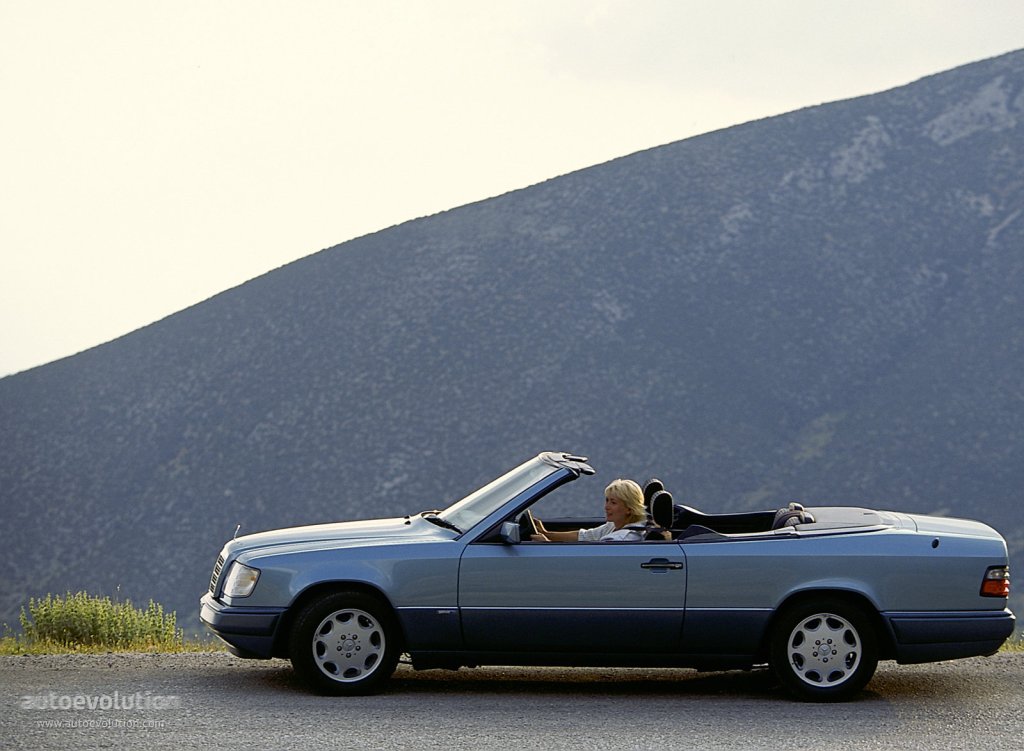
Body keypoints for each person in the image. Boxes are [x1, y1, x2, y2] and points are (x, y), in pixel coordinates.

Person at [531, 478, 648, 542]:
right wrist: (546, 533)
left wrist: (546, 544)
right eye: (607, 501)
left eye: (613, 503)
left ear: (629, 509)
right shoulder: (612, 526)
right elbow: (585, 536)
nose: (606, 506)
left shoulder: (618, 539)